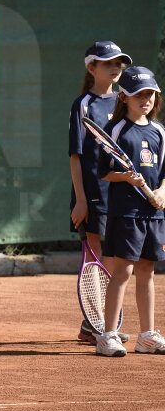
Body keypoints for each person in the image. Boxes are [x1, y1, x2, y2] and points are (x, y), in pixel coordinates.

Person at [95, 66, 165, 356]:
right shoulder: (115, 130)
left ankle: (147, 335)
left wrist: (162, 192)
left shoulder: (160, 130)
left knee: (148, 271)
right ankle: (107, 335)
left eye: (149, 93)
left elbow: (164, 172)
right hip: (126, 213)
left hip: (154, 214)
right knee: (123, 271)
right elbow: (103, 172)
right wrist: (125, 176)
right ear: (124, 96)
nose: (145, 99)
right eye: (138, 94)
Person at [70, 40, 133, 345]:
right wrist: (81, 199)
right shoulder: (83, 105)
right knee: (95, 257)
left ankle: (98, 321)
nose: (115, 68)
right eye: (108, 63)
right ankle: (96, 324)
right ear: (92, 68)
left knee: (114, 259)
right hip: (92, 193)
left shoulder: (125, 102)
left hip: (121, 193)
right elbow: (76, 156)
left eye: (118, 64)